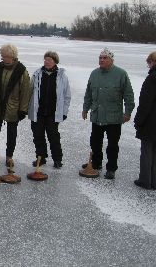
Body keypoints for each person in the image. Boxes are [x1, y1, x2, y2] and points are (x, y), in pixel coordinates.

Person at [82, 48, 135, 179]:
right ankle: (96, 163)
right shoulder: (94, 74)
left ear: (111, 60)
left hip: (114, 117)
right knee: (95, 142)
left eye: (105, 58)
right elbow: (88, 93)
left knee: (112, 145)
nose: (101, 60)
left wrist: (127, 112)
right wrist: (85, 109)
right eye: (100, 58)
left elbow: (128, 95)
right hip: (97, 115)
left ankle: (111, 168)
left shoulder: (121, 74)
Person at [0, 44, 31, 169]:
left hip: (13, 107)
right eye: (2, 56)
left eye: (5, 56)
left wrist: (23, 109)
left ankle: (9, 156)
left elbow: (25, 91)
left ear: (12, 56)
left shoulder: (21, 71)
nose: (2, 58)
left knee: (11, 133)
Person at [28, 51, 71, 168]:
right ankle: (40, 158)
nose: (47, 62)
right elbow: (29, 92)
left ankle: (57, 159)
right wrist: (27, 108)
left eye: (50, 60)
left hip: (53, 113)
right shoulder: (37, 74)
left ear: (55, 61)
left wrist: (64, 112)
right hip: (38, 112)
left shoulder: (62, 76)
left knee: (54, 137)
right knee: (38, 136)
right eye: (45, 59)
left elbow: (67, 96)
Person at [133, 51, 156, 189]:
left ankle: (145, 180)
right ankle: (154, 181)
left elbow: (145, 103)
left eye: (149, 62)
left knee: (147, 152)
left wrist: (138, 121)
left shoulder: (152, 79)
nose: (148, 65)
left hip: (151, 122)